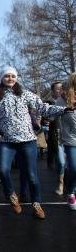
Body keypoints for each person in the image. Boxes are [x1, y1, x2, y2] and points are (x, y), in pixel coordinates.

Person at [0, 66, 66, 220]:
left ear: (16, 78)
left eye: (13, 76)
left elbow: (43, 108)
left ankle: (36, 204)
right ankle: (12, 196)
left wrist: (64, 109)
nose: (10, 79)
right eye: (7, 76)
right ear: (2, 79)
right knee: (3, 171)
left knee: (31, 175)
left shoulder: (25, 94)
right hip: (7, 141)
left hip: (27, 141)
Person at [60, 74, 76, 210]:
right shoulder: (64, 98)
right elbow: (53, 112)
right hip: (70, 140)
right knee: (74, 167)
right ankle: (70, 191)